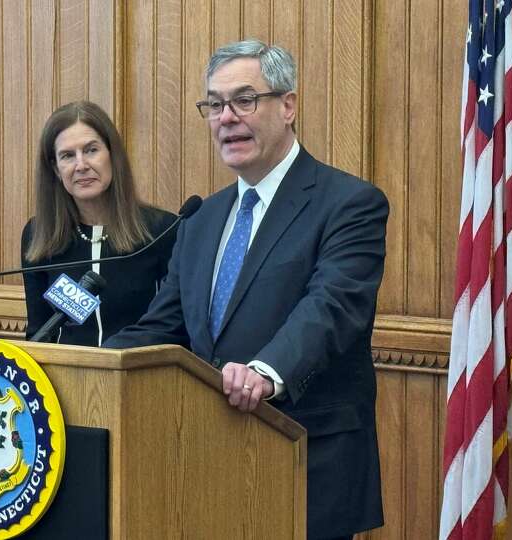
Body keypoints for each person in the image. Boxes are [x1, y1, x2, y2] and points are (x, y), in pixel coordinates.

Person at [104, 39, 387, 540]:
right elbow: (163, 328)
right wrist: (82, 363)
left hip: (304, 457)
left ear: (289, 106)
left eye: (244, 100)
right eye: (214, 104)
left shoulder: (349, 203)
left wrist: (265, 370)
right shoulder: (200, 219)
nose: (226, 117)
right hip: (209, 465)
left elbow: (331, 307)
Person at [22, 101, 177, 346]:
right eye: (67, 156)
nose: (81, 165)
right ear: (55, 168)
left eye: (91, 150)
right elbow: (38, 333)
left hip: (138, 377)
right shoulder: (39, 234)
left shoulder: (161, 230)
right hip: (63, 380)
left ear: (112, 155)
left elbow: (172, 325)